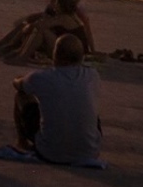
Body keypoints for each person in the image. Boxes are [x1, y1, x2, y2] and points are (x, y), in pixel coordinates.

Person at [12, 34, 103, 166]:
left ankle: (22, 142)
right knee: (85, 107)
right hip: (90, 152)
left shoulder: (42, 77)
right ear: (81, 57)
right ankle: (83, 141)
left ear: (55, 55)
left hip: (50, 153)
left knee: (22, 95)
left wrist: (20, 78)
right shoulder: (93, 75)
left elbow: (18, 85)